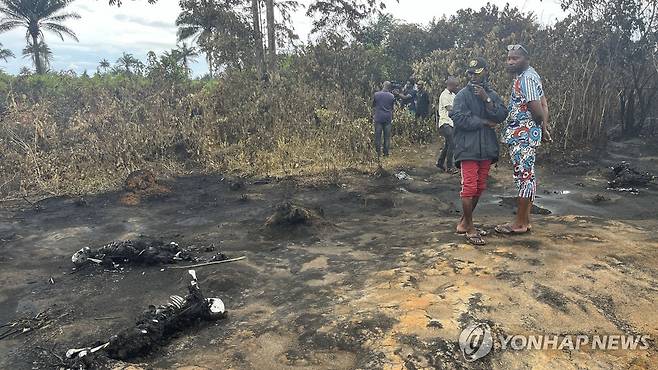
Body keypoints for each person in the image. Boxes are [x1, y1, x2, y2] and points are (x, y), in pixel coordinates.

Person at [450, 57, 509, 245]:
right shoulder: (462, 96)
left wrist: (487, 99)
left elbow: (501, 115)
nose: (473, 76)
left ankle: (464, 224)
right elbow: (459, 118)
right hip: (467, 148)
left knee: (480, 187)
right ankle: (470, 227)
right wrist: (483, 121)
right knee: (469, 187)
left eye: (477, 72)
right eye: (470, 72)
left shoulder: (491, 94)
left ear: (485, 72)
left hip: (487, 148)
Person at [495, 44, 552, 235]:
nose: (510, 62)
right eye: (509, 58)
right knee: (528, 176)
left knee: (524, 177)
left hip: (523, 135)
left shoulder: (526, 78)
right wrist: (543, 128)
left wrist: (540, 125)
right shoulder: (532, 75)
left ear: (526, 59)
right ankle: (525, 221)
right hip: (528, 134)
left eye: (515, 58)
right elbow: (544, 104)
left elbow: (537, 108)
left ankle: (519, 224)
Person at [436, 77, 459, 173]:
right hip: (445, 122)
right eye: (455, 85)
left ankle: (440, 163)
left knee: (448, 145)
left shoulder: (453, 95)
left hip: (451, 123)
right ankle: (450, 167)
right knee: (452, 144)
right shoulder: (444, 95)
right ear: (450, 85)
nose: (456, 87)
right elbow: (449, 108)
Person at [372, 81, 396, 157]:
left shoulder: (376, 94)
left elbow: (373, 105)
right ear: (389, 87)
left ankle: (378, 154)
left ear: (383, 85)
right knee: (387, 137)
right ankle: (386, 154)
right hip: (388, 118)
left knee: (378, 137)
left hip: (378, 118)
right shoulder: (392, 96)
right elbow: (392, 108)